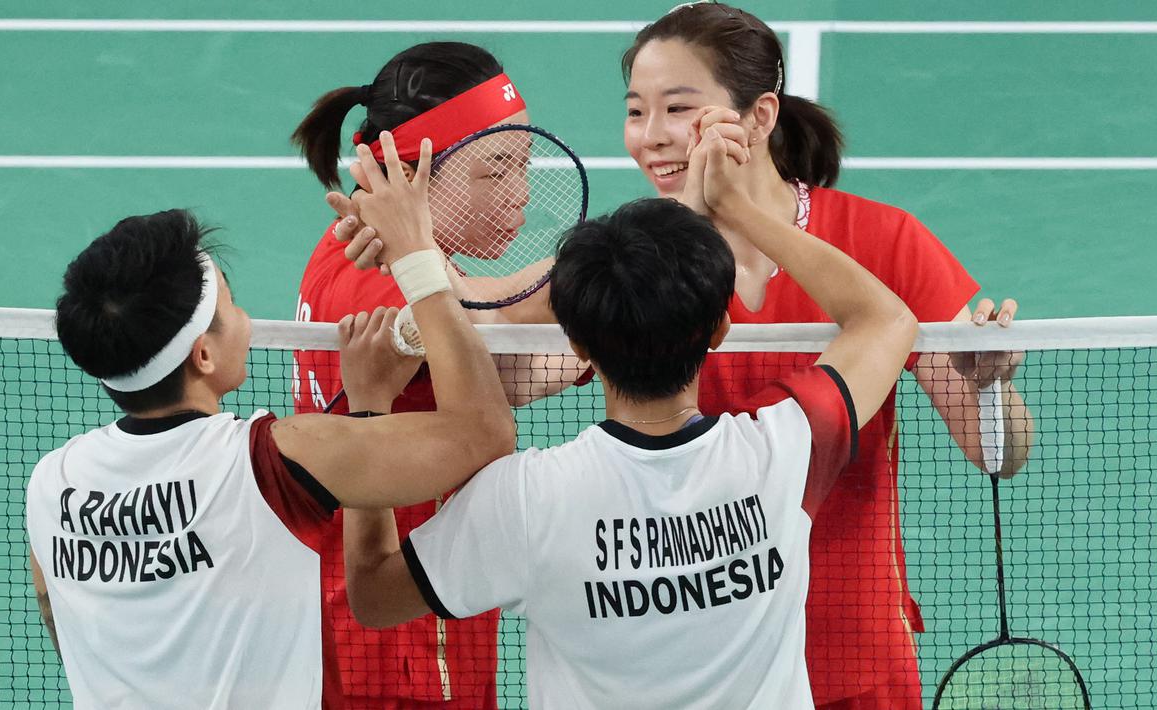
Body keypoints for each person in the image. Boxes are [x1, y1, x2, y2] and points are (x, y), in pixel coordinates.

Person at [340, 126, 919, 707]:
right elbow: (886, 320)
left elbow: (373, 593)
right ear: (721, 329)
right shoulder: (786, 450)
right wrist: (736, 207)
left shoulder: (526, 500)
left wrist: (368, 408)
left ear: (578, 347)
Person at [620, 4, 1035, 707]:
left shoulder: (885, 241)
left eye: (678, 108)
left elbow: (997, 452)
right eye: (635, 111)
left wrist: (986, 386)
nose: (651, 137)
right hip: (690, 648)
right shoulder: (631, 255)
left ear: (758, 118)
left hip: (848, 643)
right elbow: (525, 377)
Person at [26, 189, 515, 708]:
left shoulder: (52, 482)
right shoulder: (272, 463)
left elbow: (53, 606)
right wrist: (418, 264)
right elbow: (484, 432)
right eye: (231, 307)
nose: (245, 317)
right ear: (204, 355)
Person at [290, 42, 585, 708]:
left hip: (419, 590)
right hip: (397, 640)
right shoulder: (387, 288)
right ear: (411, 174)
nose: (522, 193)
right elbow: (511, 341)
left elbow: (498, 334)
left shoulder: (380, 253)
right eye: (494, 172)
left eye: (523, 162)